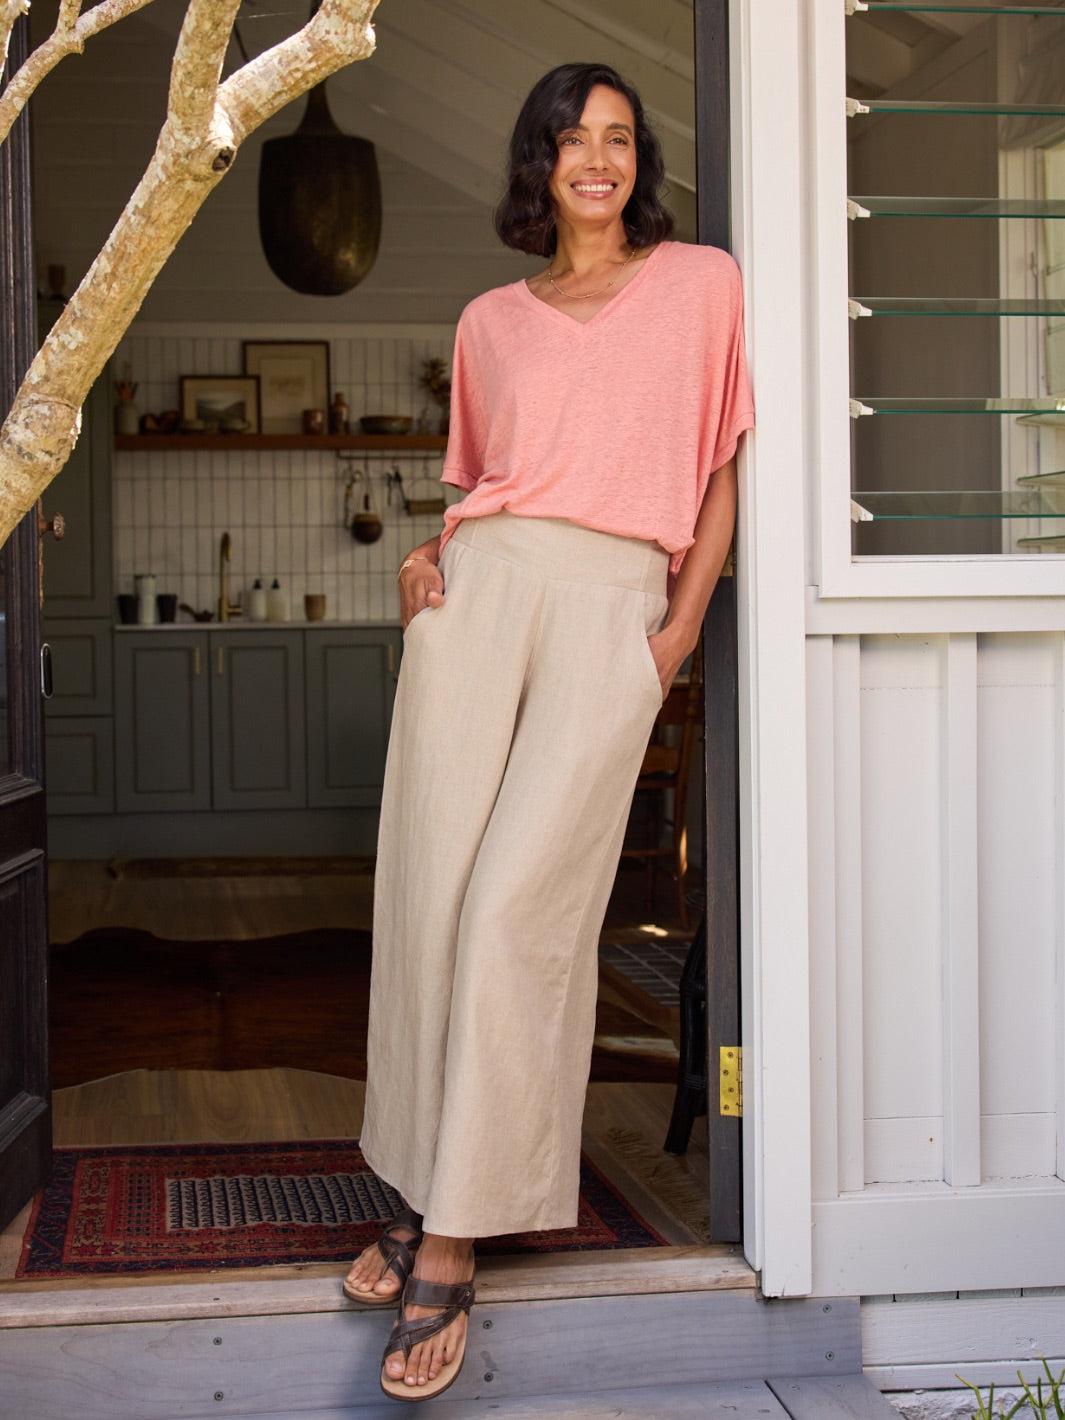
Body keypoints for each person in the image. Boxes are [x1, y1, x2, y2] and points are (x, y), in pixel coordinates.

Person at [344, 61, 754, 1403]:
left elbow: (719, 468)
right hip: (481, 595)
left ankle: (455, 1232)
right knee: (431, 903)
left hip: (613, 606)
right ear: (537, 163)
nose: (599, 158)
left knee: (519, 910)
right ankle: (416, 1188)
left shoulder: (703, 284)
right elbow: (486, 489)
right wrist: (427, 561)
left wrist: (680, 625)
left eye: (619, 138)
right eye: (573, 138)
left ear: (639, 163)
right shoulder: (487, 322)